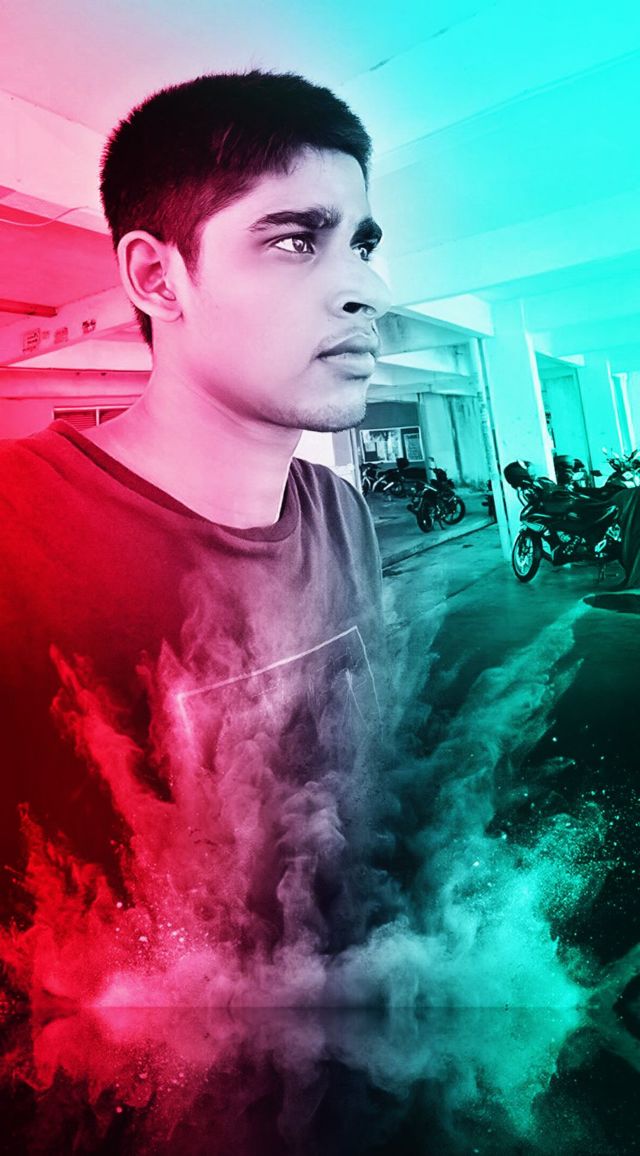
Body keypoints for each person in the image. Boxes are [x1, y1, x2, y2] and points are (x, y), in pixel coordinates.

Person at [0, 71, 391, 1002]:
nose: (366, 289)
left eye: (363, 244)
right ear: (157, 278)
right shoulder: (16, 528)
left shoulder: (343, 514)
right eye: (294, 240)